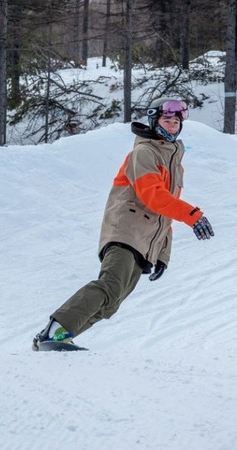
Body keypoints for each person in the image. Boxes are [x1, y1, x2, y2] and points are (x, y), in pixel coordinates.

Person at [32, 97, 215, 351]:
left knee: (112, 302)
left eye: (175, 122)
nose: (172, 126)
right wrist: (193, 216)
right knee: (110, 285)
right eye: (166, 121)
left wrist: (163, 253)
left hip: (144, 241)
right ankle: (55, 330)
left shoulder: (173, 160)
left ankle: (57, 337)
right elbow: (153, 196)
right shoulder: (144, 153)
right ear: (154, 121)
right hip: (125, 231)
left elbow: (166, 211)